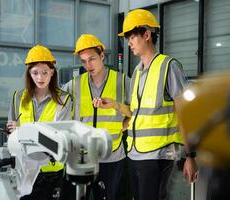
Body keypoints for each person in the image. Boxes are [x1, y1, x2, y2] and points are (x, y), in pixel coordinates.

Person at [93, 9, 198, 200]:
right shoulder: (138, 71)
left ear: (147, 35)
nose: (129, 43)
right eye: (128, 39)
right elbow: (134, 112)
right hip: (135, 153)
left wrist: (190, 156)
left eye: (132, 37)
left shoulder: (168, 66)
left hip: (159, 155)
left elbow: (186, 112)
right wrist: (115, 105)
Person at [62, 34, 130, 200]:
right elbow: (54, 103)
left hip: (111, 156)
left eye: (91, 59)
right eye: (83, 61)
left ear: (102, 55)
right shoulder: (74, 84)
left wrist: (119, 113)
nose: (88, 65)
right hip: (82, 156)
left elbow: (136, 113)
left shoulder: (122, 82)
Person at [6, 45, 74, 200]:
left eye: (44, 72)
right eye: (35, 73)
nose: (40, 77)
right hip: (24, 169)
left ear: (52, 72)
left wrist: (22, 132)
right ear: (29, 74)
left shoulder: (64, 100)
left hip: (51, 171)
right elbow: (12, 135)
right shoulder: (18, 97)